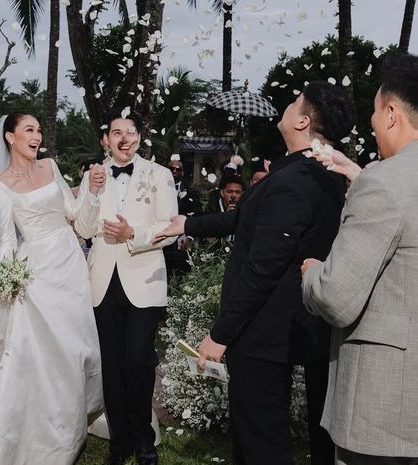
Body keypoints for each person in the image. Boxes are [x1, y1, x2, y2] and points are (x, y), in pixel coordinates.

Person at [155, 81, 355, 465]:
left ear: (303, 121)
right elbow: (246, 218)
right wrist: (188, 224)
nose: (287, 105)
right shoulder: (318, 172)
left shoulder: (294, 182)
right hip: (296, 325)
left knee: (262, 442)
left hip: (265, 331)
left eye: (295, 101)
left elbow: (264, 265)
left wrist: (220, 334)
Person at [0, 113, 105, 465]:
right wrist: (7, 280)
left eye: (39, 130)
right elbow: (7, 241)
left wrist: (92, 190)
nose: (37, 136)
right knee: (42, 355)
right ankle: (43, 439)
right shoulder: (0, 186)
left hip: (69, 266)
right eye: (29, 130)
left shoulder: (50, 166)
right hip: (35, 275)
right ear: (10, 137)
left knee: (77, 349)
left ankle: (70, 427)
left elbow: (77, 217)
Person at [301, 53, 418, 465]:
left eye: (374, 112)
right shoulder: (383, 180)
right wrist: (360, 174)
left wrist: (313, 274)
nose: (371, 122)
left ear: (391, 114)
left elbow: (336, 296)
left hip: (384, 410)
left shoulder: (383, 183)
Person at [74, 111, 178, 465]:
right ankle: (120, 441)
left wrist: (133, 233)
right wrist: (93, 191)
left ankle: (144, 437)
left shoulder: (160, 174)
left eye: (130, 132)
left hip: (145, 280)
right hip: (102, 281)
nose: (123, 138)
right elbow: (84, 229)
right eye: (116, 132)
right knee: (112, 365)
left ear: (138, 138)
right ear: (106, 139)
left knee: (138, 359)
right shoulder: (93, 174)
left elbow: (170, 226)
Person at [164, 155, 202, 280]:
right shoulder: (158, 189)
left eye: (178, 169)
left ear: (183, 172)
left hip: (182, 241)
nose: (174, 171)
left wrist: (190, 237)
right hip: (162, 240)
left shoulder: (192, 192)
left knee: (182, 277)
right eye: (171, 169)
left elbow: (197, 215)